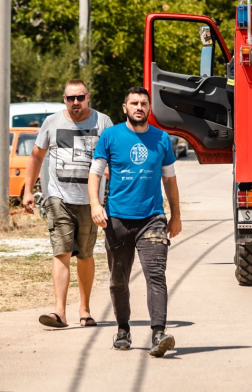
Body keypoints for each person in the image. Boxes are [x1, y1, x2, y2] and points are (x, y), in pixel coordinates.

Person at [89, 86, 182, 357]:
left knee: (156, 275)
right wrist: (95, 204)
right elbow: (95, 174)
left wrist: (175, 215)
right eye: (134, 103)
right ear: (125, 107)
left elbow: (170, 180)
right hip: (116, 219)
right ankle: (122, 328)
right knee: (119, 280)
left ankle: (159, 333)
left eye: (143, 103)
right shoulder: (110, 136)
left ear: (149, 108)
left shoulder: (162, 139)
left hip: (152, 219)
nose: (139, 107)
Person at [23, 79, 113, 329]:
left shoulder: (103, 122)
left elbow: (113, 159)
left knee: (84, 254)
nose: (75, 103)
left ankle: (85, 310)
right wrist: (29, 191)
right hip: (58, 196)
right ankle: (59, 312)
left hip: (90, 200)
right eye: (70, 98)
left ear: (88, 97)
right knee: (61, 251)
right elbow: (36, 156)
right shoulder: (52, 122)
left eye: (80, 98)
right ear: (64, 99)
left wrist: (112, 196)